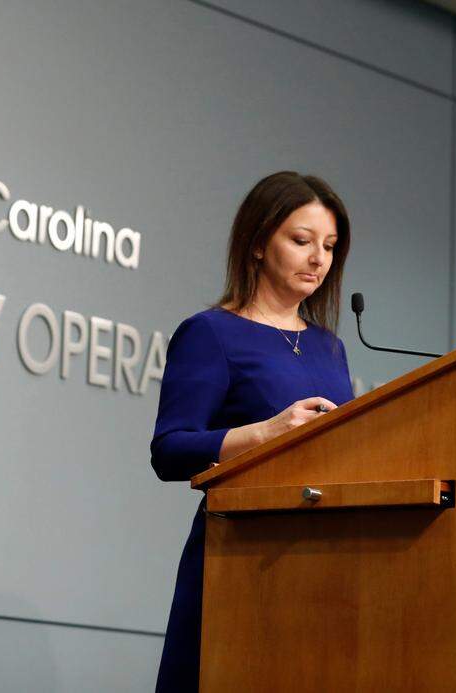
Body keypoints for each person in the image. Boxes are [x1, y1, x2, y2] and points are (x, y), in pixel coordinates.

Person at [149, 171, 355, 691]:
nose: (318, 260)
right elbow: (170, 451)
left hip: (324, 564)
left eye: (329, 247)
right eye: (302, 241)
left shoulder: (331, 347)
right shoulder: (211, 333)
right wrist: (264, 433)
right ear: (260, 242)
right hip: (241, 556)